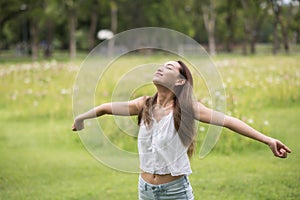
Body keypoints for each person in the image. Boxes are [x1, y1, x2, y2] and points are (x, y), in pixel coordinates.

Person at [72, 60, 291, 200]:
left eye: (168, 68)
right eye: (161, 65)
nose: (160, 68)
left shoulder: (188, 109)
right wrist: (82, 118)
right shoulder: (144, 104)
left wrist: (268, 140)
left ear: (179, 80)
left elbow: (228, 121)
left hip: (175, 192)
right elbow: (105, 109)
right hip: (145, 190)